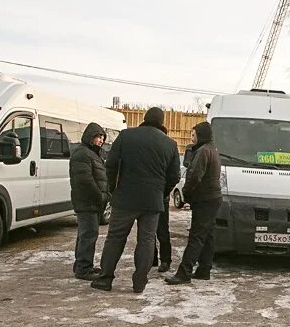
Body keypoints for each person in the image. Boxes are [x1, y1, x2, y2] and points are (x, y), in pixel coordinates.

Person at [92, 107, 180, 293]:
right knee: (147, 241)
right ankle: (140, 282)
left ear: (144, 119)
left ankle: (105, 279)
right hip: (152, 201)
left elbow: (111, 165)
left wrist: (113, 190)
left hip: (125, 198)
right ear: (161, 122)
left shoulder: (126, 136)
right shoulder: (170, 144)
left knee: (115, 238)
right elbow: (174, 176)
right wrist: (161, 192)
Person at [166, 122, 222, 285]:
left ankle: (184, 273)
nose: (192, 137)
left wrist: (187, 194)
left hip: (205, 199)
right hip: (213, 198)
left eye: (194, 134)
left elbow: (194, 175)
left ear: (201, 135)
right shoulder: (213, 150)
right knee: (208, 235)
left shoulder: (203, 151)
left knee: (196, 235)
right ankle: (204, 269)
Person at [69, 123, 109, 280]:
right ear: (90, 136)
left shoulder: (93, 154)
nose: (100, 140)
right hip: (87, 201)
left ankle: (81, 263)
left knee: (85, 234)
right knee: (89, 234)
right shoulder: (83, 154)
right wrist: (100, 196)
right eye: (98, 137)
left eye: (102, 138)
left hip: (92, 202)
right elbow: (85, 180)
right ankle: (84, 268)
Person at [152, 126, 173, 273]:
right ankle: (152, 258)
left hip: (161, 197)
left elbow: (174, 176)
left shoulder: (168, 151)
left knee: (161, 231)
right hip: (150, 196)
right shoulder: (149, 151)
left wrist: (164, 192)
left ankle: (165, 260)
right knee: (148, 231)